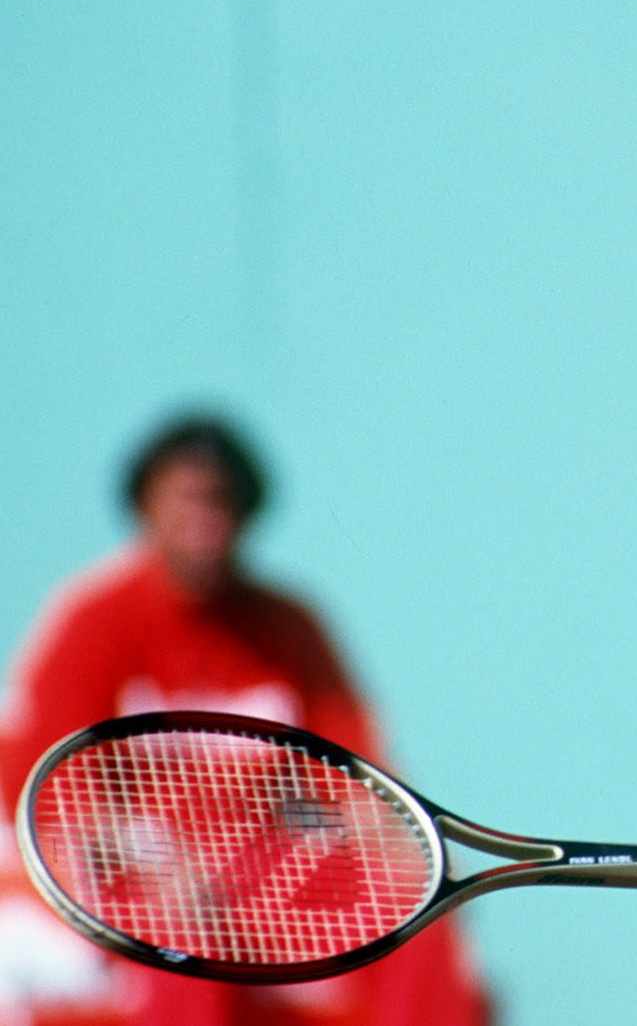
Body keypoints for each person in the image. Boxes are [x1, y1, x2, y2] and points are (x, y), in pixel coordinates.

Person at [0, 415, 492, 1026]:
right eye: (185, 498)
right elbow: (47, 797)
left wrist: (410, 856)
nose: (204, 517)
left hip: (272, 878)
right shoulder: (94, 621)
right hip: (138, 884)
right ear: (145, 507)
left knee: (422, 916)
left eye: (220, 500)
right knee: (187, 935)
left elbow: (359, 783)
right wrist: (156, 867)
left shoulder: (290, 628)